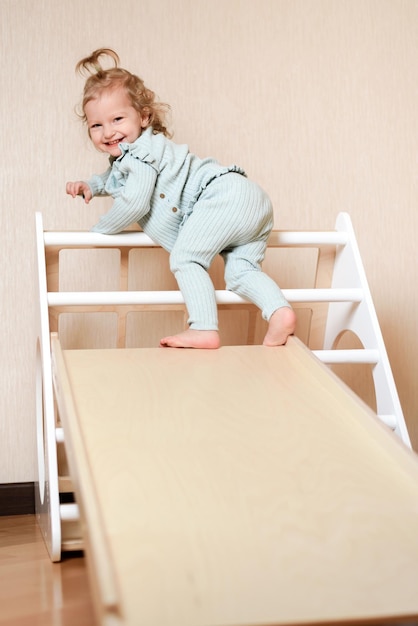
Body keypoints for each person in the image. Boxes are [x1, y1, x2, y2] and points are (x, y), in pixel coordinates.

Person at [66, 48, 296, 349]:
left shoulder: (139, 155)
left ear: (144, 116)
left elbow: (135, 202)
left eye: (117, 119)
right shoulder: (141, 153)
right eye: (96, 125)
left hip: (220, 196)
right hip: (251, 200)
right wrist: (91, 186)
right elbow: (116, 177)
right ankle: (279, 312)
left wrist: (100, 230)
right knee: (241, 271)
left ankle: (203, 328)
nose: (108, 132)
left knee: (186, 258)